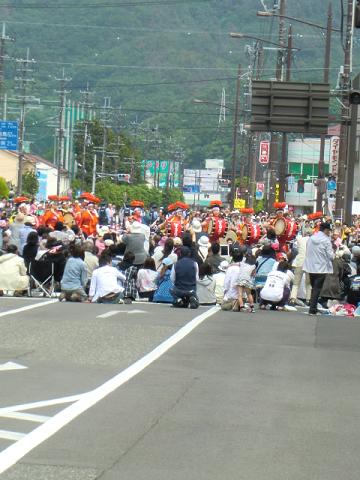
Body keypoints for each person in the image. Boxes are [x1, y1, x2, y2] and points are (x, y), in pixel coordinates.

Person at [303, 222, 334, 315]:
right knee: (317, 288)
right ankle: (312, 309)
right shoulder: (326, 240)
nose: (329, 233)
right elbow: (330, 256)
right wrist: (334, 254)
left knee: (314, 288)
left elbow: (307, 249)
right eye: (329, 231)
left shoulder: (311, 238)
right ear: (325, 230)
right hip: (321, 267)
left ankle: (313, 307)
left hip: (310, 266)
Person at [289, 228, 313, 306]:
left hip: (299, 261)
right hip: (309, 263)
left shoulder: (300, 239)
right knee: (308, 283)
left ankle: (293, 298)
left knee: (296, 283)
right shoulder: (313, 241)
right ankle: (308, 299)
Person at [221, 246, 244, 311]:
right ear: (242, 258)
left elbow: (226, 282)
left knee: (224, 307)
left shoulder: (230, 268)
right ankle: (238, 303)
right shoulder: (244, 268)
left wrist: (225, 291)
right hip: (242, 294)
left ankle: (234, 303)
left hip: (231, 294)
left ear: (233, 258)